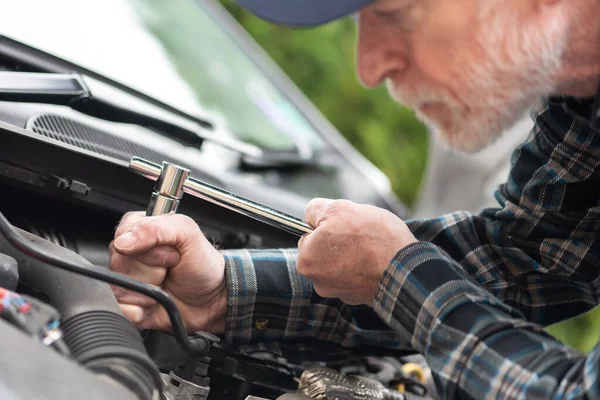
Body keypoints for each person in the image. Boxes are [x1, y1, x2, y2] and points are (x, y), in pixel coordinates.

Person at [109, 0, 600, 398]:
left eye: (394, 13)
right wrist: (225, 292)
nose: (369, 66)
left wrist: (392, 274)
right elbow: (527, 258)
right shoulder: (583, 102)